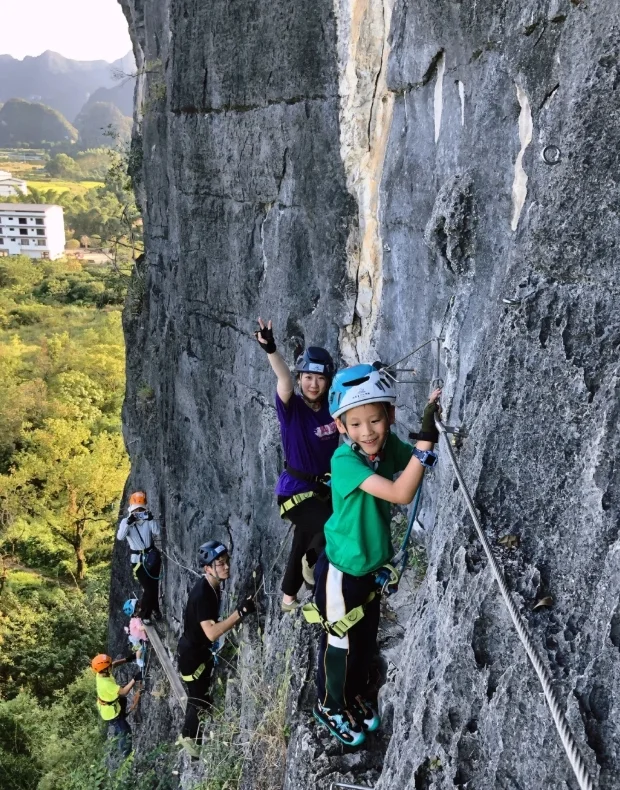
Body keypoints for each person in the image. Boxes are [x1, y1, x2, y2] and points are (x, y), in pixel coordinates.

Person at [312, 364, 441, 746]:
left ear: (390, 416)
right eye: (355, 424)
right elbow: (403, 491)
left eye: (375, 420)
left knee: (363, 643)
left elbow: (409, 459)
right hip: (341, 573)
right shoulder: (345, 462)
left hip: (367, 570)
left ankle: (350, 698)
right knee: (339, 644)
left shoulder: (384, 449)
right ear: (341, 427)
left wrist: (427, 425)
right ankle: (329, 705)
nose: (367, 432)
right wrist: (428, 439)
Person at [255, 318, 339, 611]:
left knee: (303, 535)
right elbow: (284, 380)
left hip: (320, 489)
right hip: (294, 491)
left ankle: (289, 597)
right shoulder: (293, 410)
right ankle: (313, 569)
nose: (312, 384)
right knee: (334, 526)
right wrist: (271, 349)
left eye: (319, 378)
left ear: (328, 381)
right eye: (307, 377)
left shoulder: (333, 408)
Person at [176, 540, 256, 758]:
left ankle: (194, 744)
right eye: (219, 563)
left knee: (200, 697)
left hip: (196, 652)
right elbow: (211, 632)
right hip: (192, 656)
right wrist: (239, 613)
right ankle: (191, 743)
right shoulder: (203, 594)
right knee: (197, 698)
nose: (226, 566)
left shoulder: (213, 586)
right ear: (207, 568)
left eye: (226, 561)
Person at [117, 491, 162, 624]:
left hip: (152, 556)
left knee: (154, 586)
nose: (139, 512)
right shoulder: (126, 521)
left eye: (141, 509)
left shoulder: (147, 519)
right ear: (131, 509)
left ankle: (155, 609)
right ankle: (145, 615)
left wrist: (151, 519)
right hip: (138, 560)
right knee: (148, 589)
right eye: (136, 510)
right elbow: (120, 536)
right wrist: (129, 523)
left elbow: (157, 532)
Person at [91, 652, 142, 758]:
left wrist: (127, 659)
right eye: (108, 665)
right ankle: (126, 754)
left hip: (112, 704)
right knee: (125, 731)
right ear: (105, 669)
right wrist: (135, 679)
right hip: (112, 714)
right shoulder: (106, 684)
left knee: (122, 702)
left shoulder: (101, 673)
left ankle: (118, 730)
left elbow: (113, 664)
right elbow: (123, 692)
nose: (111, 665)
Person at [123, 599, 149, 668]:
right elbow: (140, 628)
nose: (139, 608)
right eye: (137, 607)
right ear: (134, 612)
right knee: (140, 649)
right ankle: (138, 660)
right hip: (134, 638)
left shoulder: (136, 617)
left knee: (141, 646)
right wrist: (147, 626)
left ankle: (139, 645)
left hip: (135, 635)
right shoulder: (136, 619)